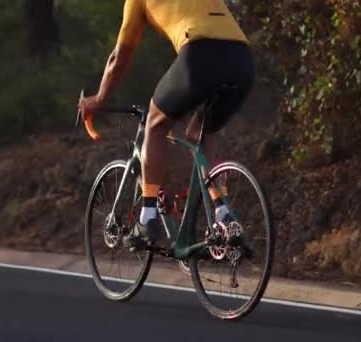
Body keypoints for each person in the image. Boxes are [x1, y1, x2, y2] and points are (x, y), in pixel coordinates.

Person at [78, 0, 254, 248]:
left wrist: (98, 99)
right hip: (242, 60)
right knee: (198, 133)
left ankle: (147, 218)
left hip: (200, 52)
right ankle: (224, 214)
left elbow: (119, 57)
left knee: (155, 123)